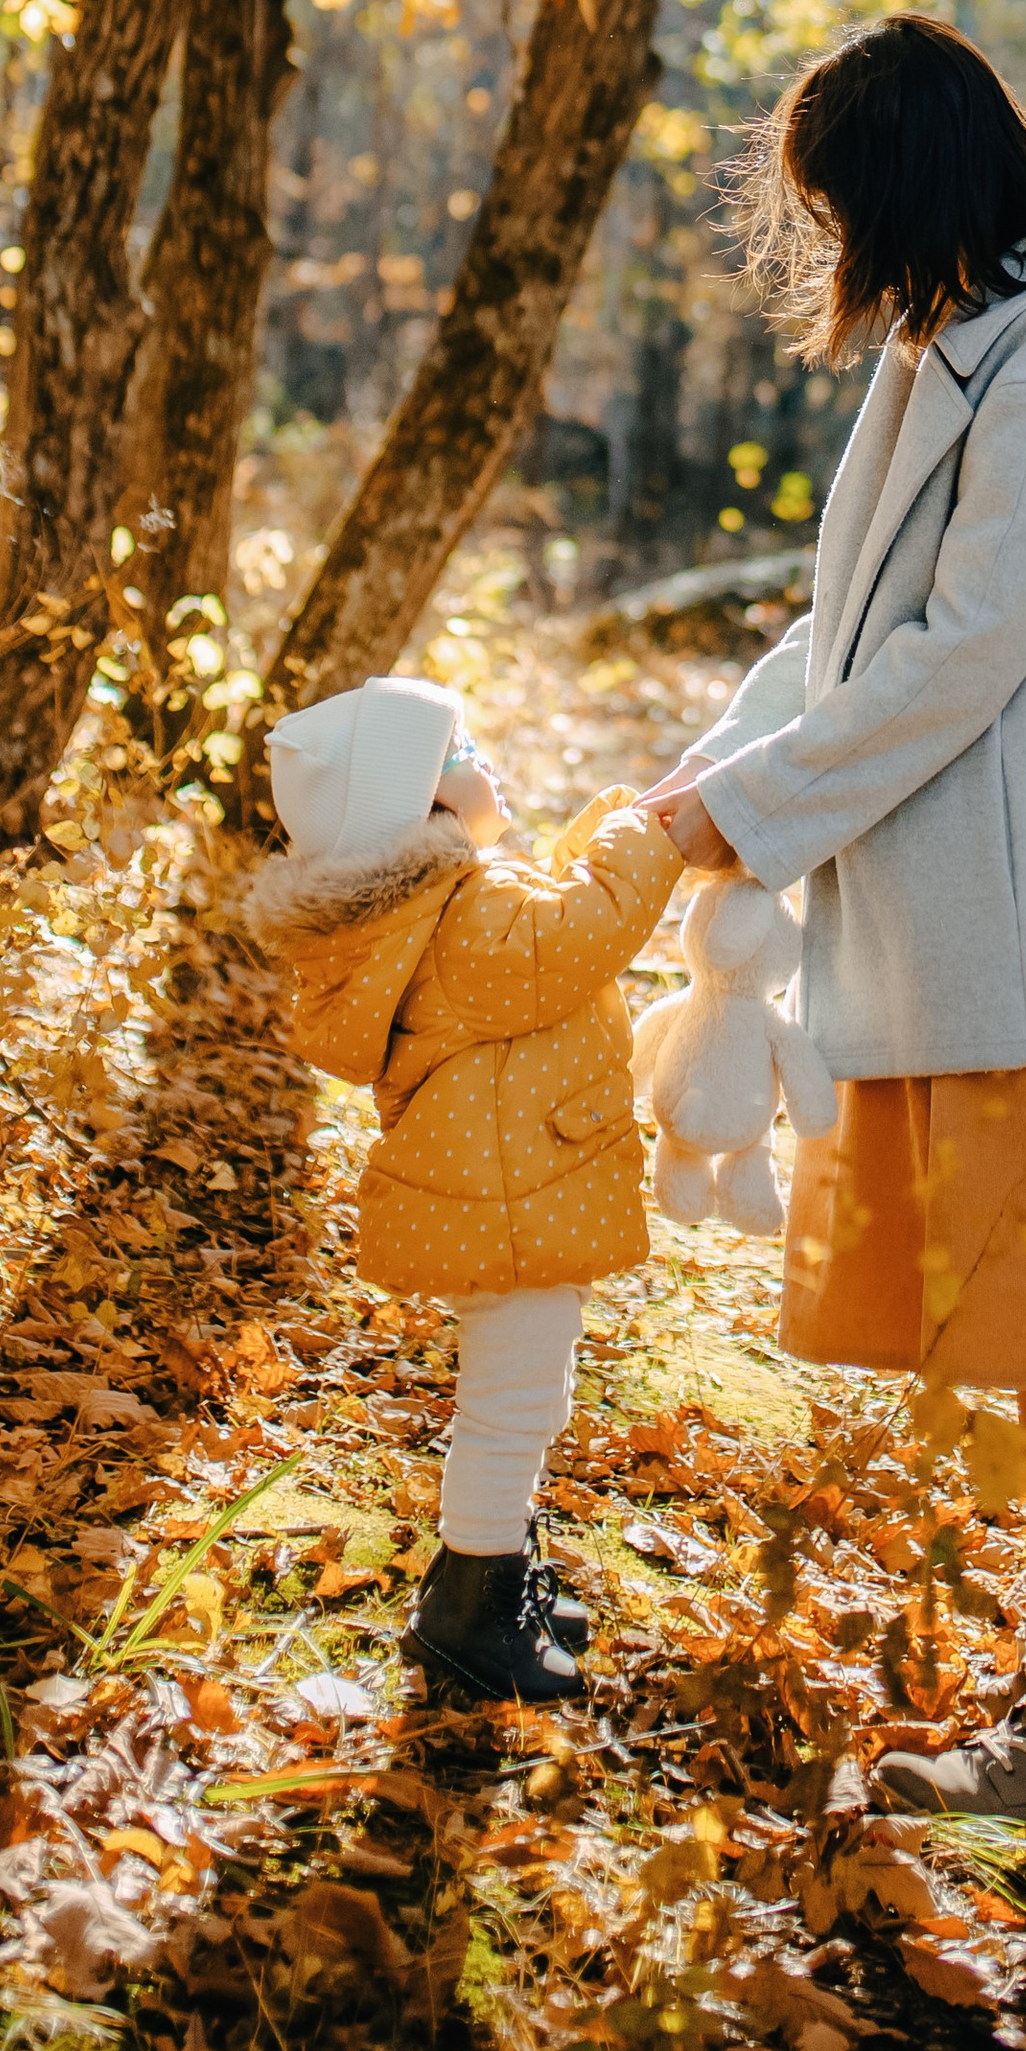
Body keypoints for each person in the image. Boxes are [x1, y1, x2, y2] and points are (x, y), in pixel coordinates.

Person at [639, 14, 1026, 1831]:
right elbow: (855, 621)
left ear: (915, 186)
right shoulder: (967, 327)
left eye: (842, 207)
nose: (835, 248)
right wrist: (713, 768)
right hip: (986, 922)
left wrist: (746, 810)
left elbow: (955, 663)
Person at [254, 674, 679, 1703]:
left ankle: (492, 1569)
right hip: (510, 1204)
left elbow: (542, 918)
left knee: (526, 1395)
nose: (484, 759)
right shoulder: (465, 917)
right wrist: (645, 830)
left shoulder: (433, 913)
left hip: (503, 1191)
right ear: (426, 802)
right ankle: (468, 1608)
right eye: (461, 751)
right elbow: (578, 928)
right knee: (514, 1403)